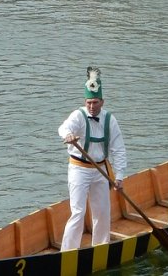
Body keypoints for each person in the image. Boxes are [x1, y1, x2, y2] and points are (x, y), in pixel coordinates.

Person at [58, 67, 127, 251]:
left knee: (102, 212)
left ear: (102, 102)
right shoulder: (78, 116)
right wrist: (69, 135)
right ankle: (68, 251)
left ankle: (101, 247)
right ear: (85, 101)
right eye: (88, 102)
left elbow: (118, 149)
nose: (91, 106)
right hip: (79, 169)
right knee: (78, 212)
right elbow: (63, 128)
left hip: (100, 170)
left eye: (95, 102)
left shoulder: (110, 120)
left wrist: (119, 176)